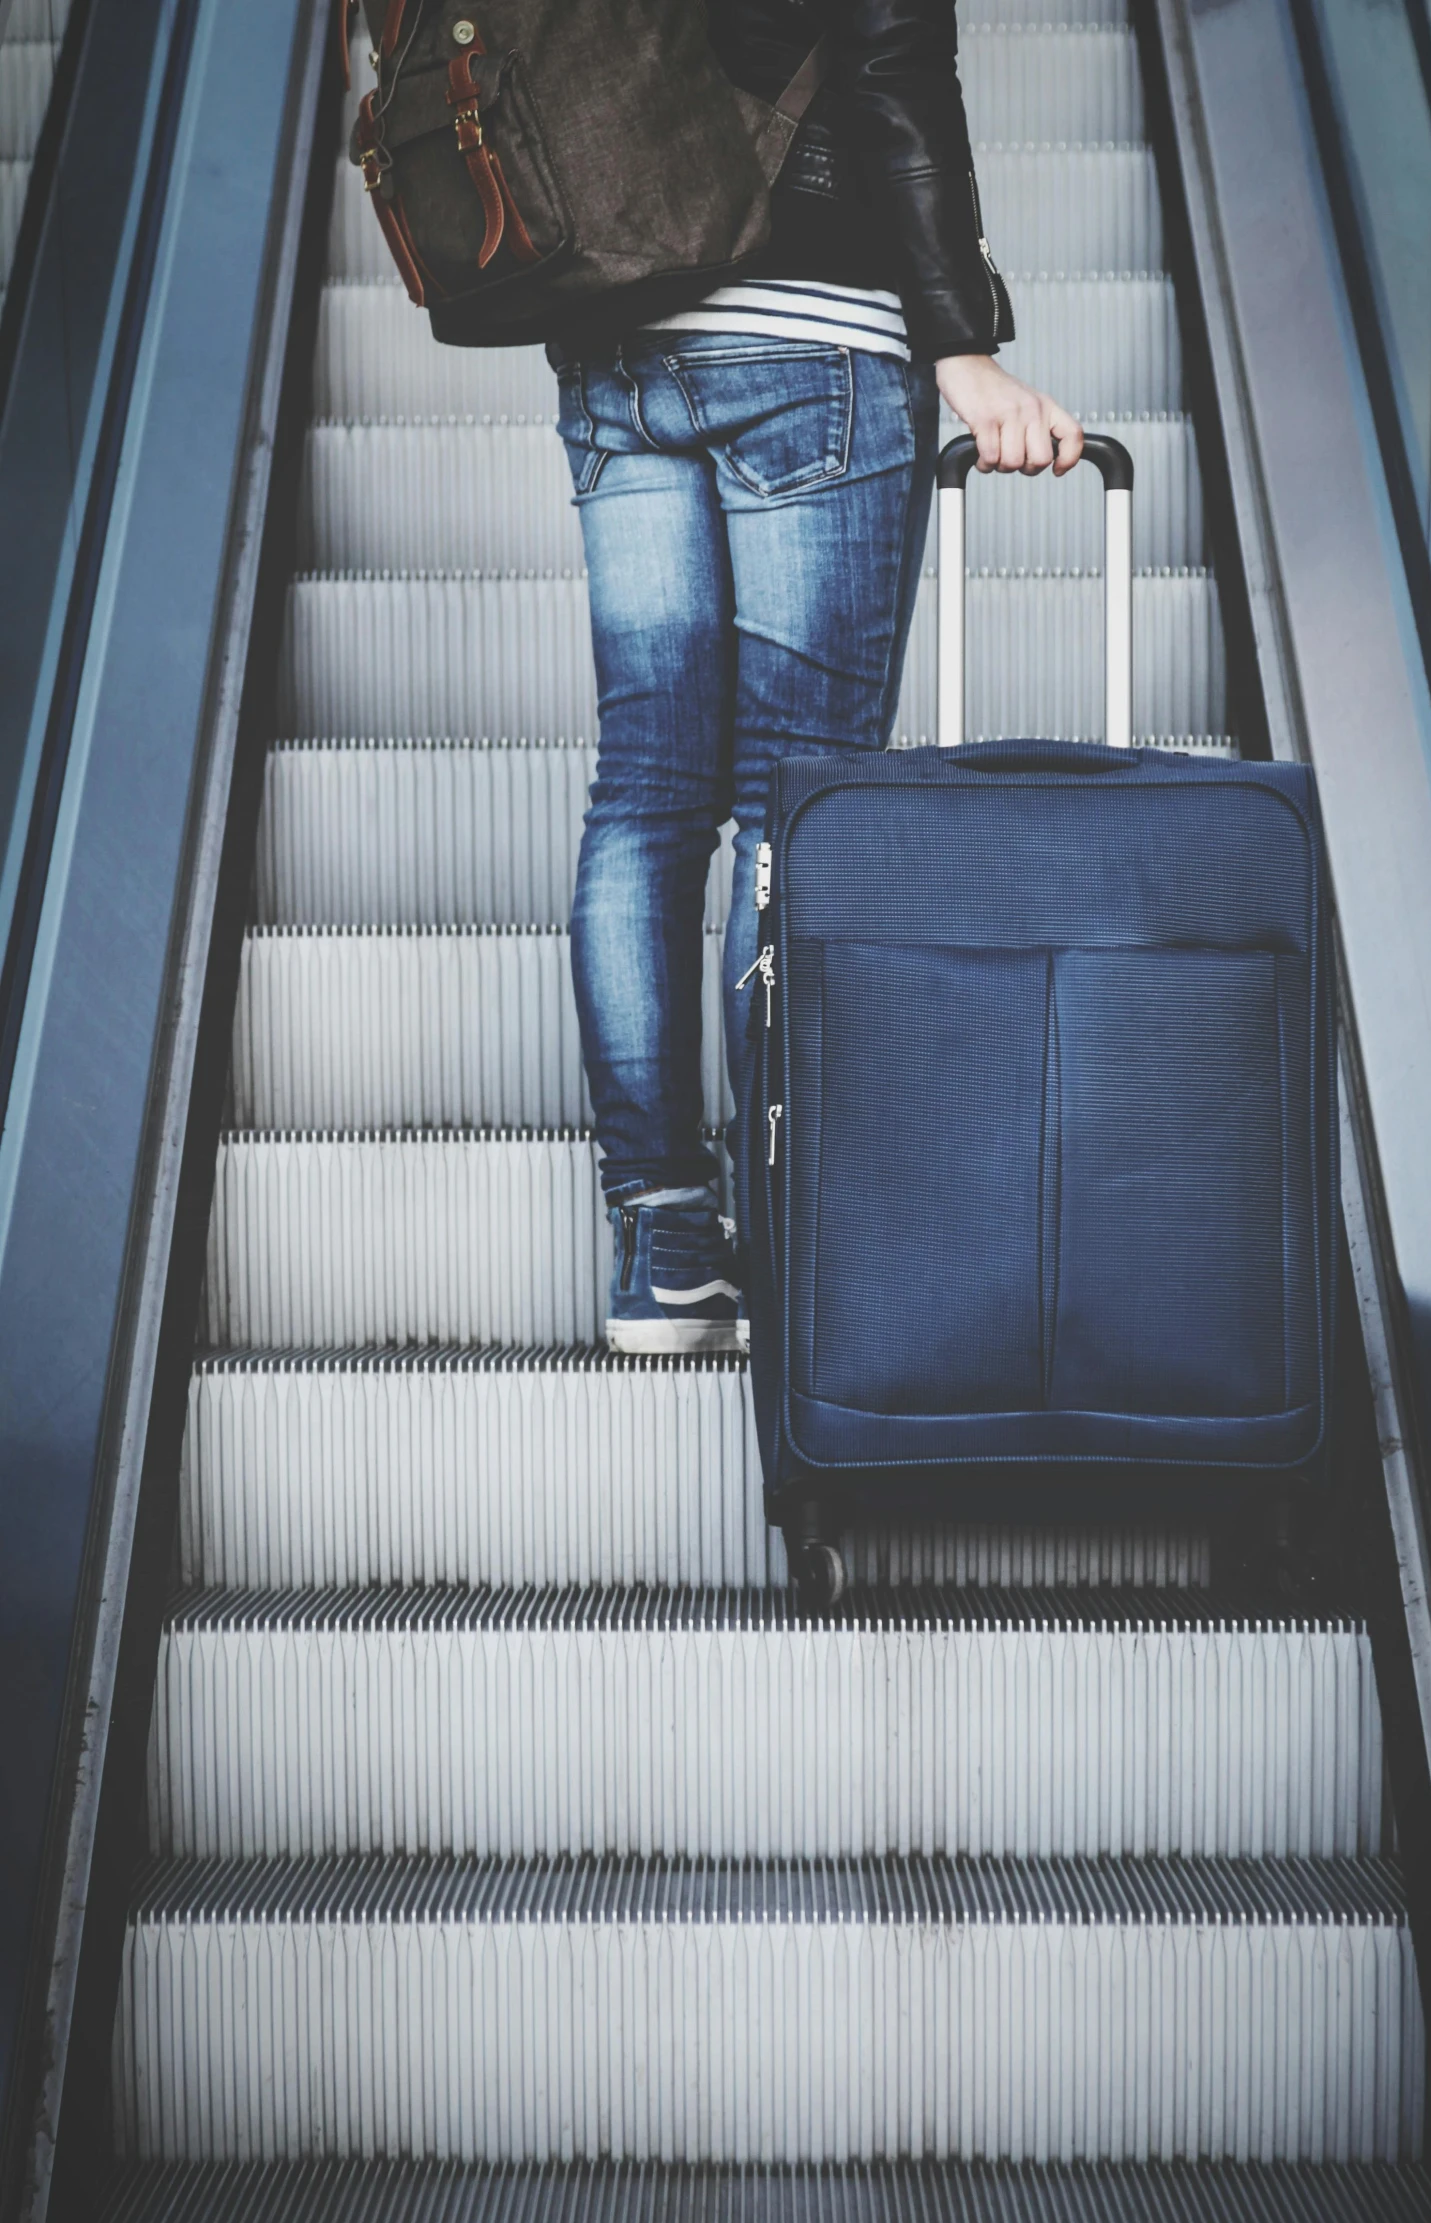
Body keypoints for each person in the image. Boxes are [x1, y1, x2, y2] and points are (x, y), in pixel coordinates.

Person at [551, 0, 1084, 1353]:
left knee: (644, 796)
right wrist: (959, 342)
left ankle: (663, 1239)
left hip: (615, 339)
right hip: (814, 346)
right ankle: (793, 1238)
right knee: (796, 803)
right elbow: (895, 69)